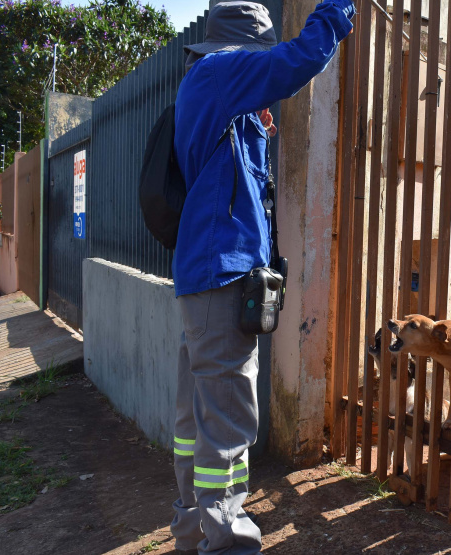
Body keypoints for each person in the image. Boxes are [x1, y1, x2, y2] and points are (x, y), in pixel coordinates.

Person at [170, 2, 356, 553]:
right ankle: (227, 542)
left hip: (207, 277)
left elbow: (234, 186)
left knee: (197, 417)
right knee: (227, 422)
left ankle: (191, 530)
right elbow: (297, 62)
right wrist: (336, 11)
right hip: (220, 279)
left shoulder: (213, 90)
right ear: (243, 51)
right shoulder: (219, 72)